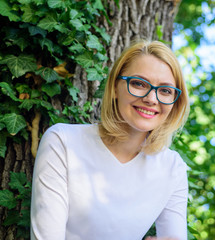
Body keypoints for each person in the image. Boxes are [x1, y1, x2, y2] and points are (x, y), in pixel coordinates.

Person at [30, 40, 190, 240]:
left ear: (175, 102)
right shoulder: (62, 142)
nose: (152, 99)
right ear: (115, 87)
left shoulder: (173, 169)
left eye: (165, 90)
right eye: (139, 84)